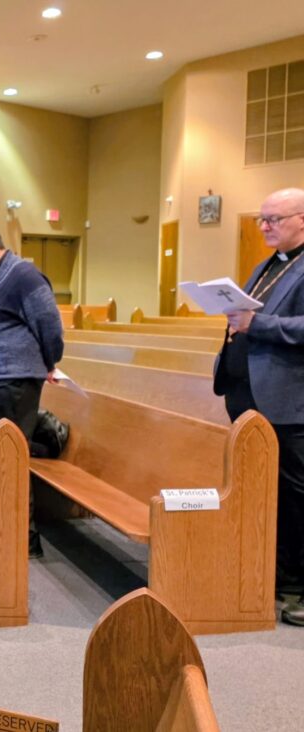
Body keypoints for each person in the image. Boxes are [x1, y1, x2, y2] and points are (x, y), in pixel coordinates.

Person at [214, 187, 304, 625]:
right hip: (247, 393)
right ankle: (267, 574)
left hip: (288, 401)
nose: (264, 226)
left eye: (274, 219)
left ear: (302, 219)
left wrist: (257, 324)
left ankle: (297, 587)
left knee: (294, 496)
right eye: (261, 219)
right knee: (258, 490)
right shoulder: (266, 264)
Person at [0, 225, 64, 557]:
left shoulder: (23, 276)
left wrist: (51, 361)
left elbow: (49, 322)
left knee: (9, 460)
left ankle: (21, 541)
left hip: (10, 382)